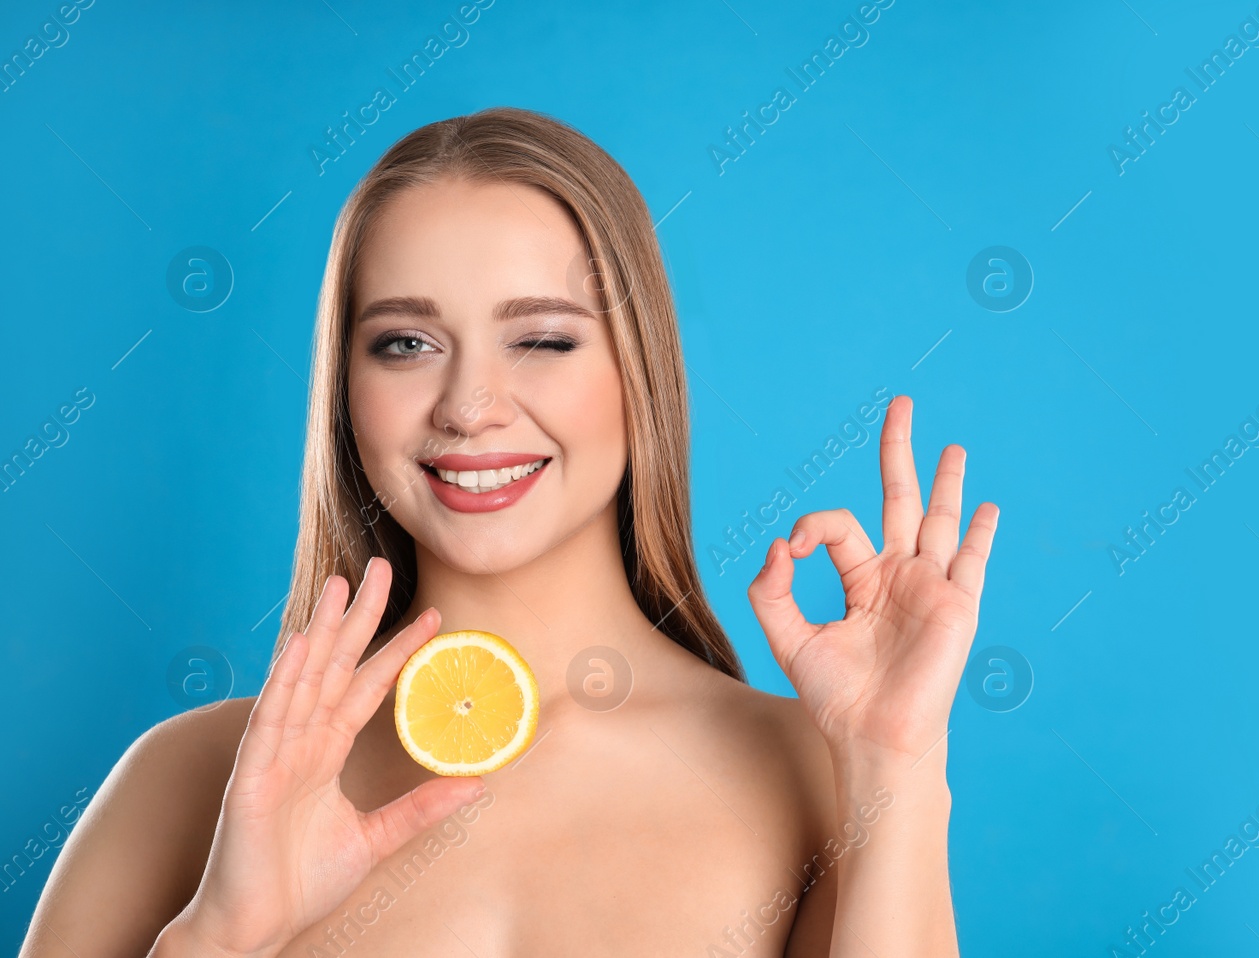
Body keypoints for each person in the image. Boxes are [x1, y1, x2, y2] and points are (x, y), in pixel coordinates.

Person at [20, 107, 999, 957]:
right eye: (404, 343)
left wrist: (898, 771)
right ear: (343, 392)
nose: (470, 405)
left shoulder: (819, 778)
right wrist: (221, 938)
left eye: (541, 338)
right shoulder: (188, 777)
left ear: (636, 372)